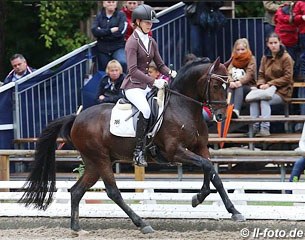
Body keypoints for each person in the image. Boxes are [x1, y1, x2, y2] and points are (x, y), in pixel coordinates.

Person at [120, 4, 177, 167]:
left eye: (151, 22)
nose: (150, 24)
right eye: (147, 22)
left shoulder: (151, 41)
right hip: (132, 86)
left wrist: (171, 72)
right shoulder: (132, 42)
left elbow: (160, 64)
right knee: (145, 110)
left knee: (160, 109)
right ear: (137, 21)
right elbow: (132, 70)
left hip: (145, 86)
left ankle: (152, 145)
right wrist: (153, 81)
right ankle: (138, 151)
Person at [249, 32, 294, 137]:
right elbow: (260, 74)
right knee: (254, 99)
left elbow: (288, 77)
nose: (273, 45)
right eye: (271, 43)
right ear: (267, 44)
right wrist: (260, 84)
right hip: (266, 89)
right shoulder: (265, 57)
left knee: (265, 100)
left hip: (283, 91)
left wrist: (270, 84)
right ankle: (254, 128)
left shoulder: (286, 57)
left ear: (280, 43)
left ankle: (265, 129)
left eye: (275, 42)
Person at [91, 1, 127, 73]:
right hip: (102, 49)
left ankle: (124, 82)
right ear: (104, 4)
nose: (111, 4)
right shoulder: (99, 16)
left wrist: (102, 34)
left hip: (118, 47)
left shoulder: (121, 15)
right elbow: (94, 31)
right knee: (105, 71)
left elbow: (121, 32)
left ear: (116, 4)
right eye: (109, 2)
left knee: (123, 62)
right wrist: (110, 31)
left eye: (113, 2)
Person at [227, 38, 257, 118]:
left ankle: (236, 110)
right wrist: (231, 81)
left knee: (239, 87)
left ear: (247, 49)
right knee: (230, 87)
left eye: (242, 49)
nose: (240, 52)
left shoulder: (251, 58)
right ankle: (229, 110)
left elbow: (249, 74)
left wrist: (240, 82)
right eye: (238, 49)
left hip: (249, 86)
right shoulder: (233, 59)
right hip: (236, 86)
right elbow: (228, 72)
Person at [274, 2, 299, 77]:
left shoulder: (280, 10)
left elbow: (275, 20)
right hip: (292, 40)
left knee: (279, 59)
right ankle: (293, 76)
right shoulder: (295, 14)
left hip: (281, 38)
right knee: (293, 59)